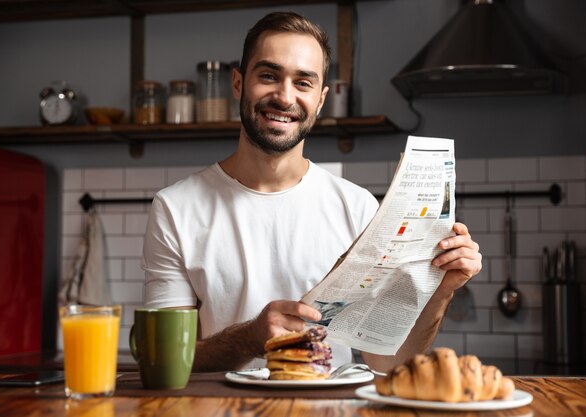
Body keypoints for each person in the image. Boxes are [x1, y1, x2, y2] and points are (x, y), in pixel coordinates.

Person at [142, 11, 482, 373]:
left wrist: (442, 291)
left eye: (303, 83)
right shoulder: (175, 208)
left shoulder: (359, 208)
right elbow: (164, 360)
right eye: (269, 76)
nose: (284, 97)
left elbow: (389, 360)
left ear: (320, 100)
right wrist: (249, 338)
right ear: (239, 84)